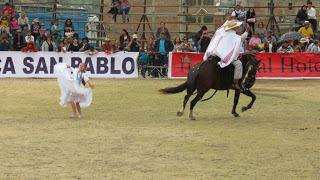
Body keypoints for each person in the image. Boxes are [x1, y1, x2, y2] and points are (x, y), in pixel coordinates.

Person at [204, 19, 250, 91]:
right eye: (237, 26)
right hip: (224, 57)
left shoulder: (224, 34)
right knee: (239, 64)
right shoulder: (235, 36)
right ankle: (236, 83)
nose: (239, 27)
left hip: (217, 54)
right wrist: (247, 31)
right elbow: (242, 38)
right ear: (234, 28)